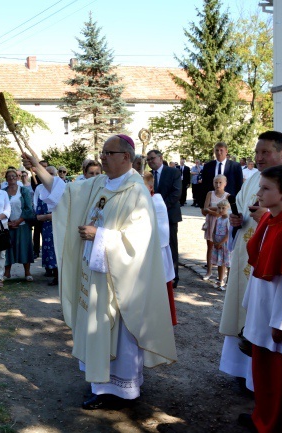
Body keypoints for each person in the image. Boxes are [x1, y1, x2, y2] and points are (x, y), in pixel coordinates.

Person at [22, 134, 177, 410]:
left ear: (125, 157)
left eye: (108, 153)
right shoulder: (98, 184)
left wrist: (100, 235)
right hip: (94, 272)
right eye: (102, 152)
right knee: (97, 327)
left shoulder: (135, 191)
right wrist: (38, 168)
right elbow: (65, 193)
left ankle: (121, 389)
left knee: (118, 333)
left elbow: (140, 240)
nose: (102, 157)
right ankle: (100, 384)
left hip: (119, 278)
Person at [219, 131, 282, 391]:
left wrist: (267, 215)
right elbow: (242, 206)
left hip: (275, 268)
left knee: (266, 321)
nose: (259, 158)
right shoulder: (254, 178)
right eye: (256, 152)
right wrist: (238, 219)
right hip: (248, 257)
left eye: (265, 152)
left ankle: (263, 387)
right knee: (247, 313)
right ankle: (243, 372)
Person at [239, 165, 282, 433]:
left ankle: (272, 425)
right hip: (263, 308)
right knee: (261, 369)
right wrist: (250, 304)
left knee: (279, 376)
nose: (259, 192)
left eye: (265, 188)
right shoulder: (269, 219)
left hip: (278, 315)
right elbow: (258, 267)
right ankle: (260, 417)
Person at [143, 172, 177, 325]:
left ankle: (161, 321)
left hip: (156, 251)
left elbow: (159, 231)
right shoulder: (143, 201)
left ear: (150, 187)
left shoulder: (156, 202)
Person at [146, 149, 182, 287]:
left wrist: (159, 208)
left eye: (152, 158)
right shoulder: (147, 176)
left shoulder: (173, 172)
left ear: (160, 158)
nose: (150, 161)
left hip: (169, 216)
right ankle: (157, 274)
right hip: (150, 217)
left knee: (171, 246)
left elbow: (176, 193)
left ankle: (173, 277)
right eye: (148, 160)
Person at [3, 169, 35, 282]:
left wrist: (18, 220)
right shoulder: (3, 192)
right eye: (9, 176)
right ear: (6, 179)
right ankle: (7, 273)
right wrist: (8, 222)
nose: (11, 178)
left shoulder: (24, 190)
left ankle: (27, 272)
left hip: (23, 224)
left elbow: (28, 208)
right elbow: (1, 208)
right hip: (8, 225)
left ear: (17, 177)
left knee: (25, 247)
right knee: (8, 248)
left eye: (14, 176)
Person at [201, 175, 229, 281]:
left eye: (220, 182)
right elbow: (204, 209)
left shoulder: (227, 195)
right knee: (210, 247)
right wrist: (216, 211)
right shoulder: (210, 193)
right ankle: (209, 271)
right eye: (216, 182)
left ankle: (222, 272)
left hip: (221, 224)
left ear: (225, 183)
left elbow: (223, 212)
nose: (218, 185)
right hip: (211, 222)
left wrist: (211, 210)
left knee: (222, 248)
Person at [34, 166, 58, 285]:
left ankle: (61, 276)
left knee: (60, 251)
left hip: (61, 227)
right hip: (48, 228)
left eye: (52, 173)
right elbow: (38, 215)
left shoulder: (62, 191)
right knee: (50, 250)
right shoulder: (41, 193)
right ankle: (54, 274)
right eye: (46, 173)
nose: (49, 176)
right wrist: (49, 217)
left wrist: (53, 216)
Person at [212, 200, 231, 290]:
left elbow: (228, 233)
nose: (221, 210)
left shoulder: (228, 220)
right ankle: (220, 280)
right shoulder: (218, 219)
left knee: (228, 263)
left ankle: (228, 282)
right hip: (217, 243)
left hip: (225, 244)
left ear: (228, 208)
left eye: (223, 208)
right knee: (220, 263)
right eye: (219, 208)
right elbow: (214, 231)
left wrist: (221, 242)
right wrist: (215, 241)